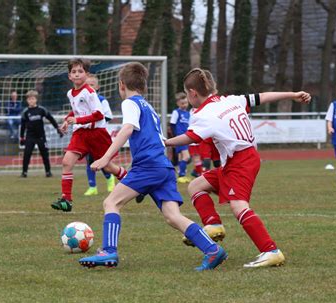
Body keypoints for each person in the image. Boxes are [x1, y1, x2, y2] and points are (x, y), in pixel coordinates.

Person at [78, 62, 227, 271]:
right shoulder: (149, 108)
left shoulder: (130, 103)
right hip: (163, 167)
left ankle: (108, 251)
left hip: (149, 166)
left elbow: (127, 129)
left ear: (122, 85)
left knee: (111, 202)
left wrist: (105, 157)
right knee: (172, 216)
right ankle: (212, 250)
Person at [165, 68, 311, 268]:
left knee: (238, 206)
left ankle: (270, 250)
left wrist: (166, 142)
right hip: (241, 158)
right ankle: (213, 224)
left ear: (192, 93)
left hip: (240, 162)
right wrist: (292, 94)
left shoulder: (204, 114)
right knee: (196, 186)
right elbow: (262, 97)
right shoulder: (230, 100)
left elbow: (191, 137)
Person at [51, 58, 128, 213]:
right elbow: (76, 110)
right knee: (66, 162)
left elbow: (99, 115)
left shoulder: (89, 92)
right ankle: (66, 200)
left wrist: (77, 119)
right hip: (81, 133)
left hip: (96, 134)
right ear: (69, 76)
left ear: (86, 74)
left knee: (107, 166)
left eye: (80, 71)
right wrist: (67, 120)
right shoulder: (70, 93)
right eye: (74, 72)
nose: (77, 74)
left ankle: (132, 182)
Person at [83, 74, 116, 196]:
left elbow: (108, 116)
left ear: (97, 87)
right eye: (87, 84)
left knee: (102, 162)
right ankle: (92, 187)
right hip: (87, 136)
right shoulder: (83, 100)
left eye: (92, 85)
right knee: (89, 161)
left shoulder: (102, 100)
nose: (89, 87)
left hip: (99, 136)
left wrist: (94, 121)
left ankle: (110, 179)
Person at [19, 90, 62, 178]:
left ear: (36, 99)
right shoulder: (25, 112)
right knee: (27, 154)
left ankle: (48, 172)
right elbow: (23, 125)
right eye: (29, 99)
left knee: (44, 154)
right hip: (30, 136)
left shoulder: (41, 110)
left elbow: (50, 118)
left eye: (32, 99)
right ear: (27, 100)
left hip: (41, 136)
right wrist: (21, 137)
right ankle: (24, 172)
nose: (31, 101)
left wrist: (57, 128)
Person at [169, 92, 191, 183]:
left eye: (186, 103)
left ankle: (181, 175)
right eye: (182, 103)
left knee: (181, 157)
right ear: (178, 103)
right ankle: (182, 175)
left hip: (186, 137)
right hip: (180, 137)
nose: (185, 105)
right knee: (186, 157)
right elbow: (172, 124)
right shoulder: (176, 112)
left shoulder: (188, 113)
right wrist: (175, 137)